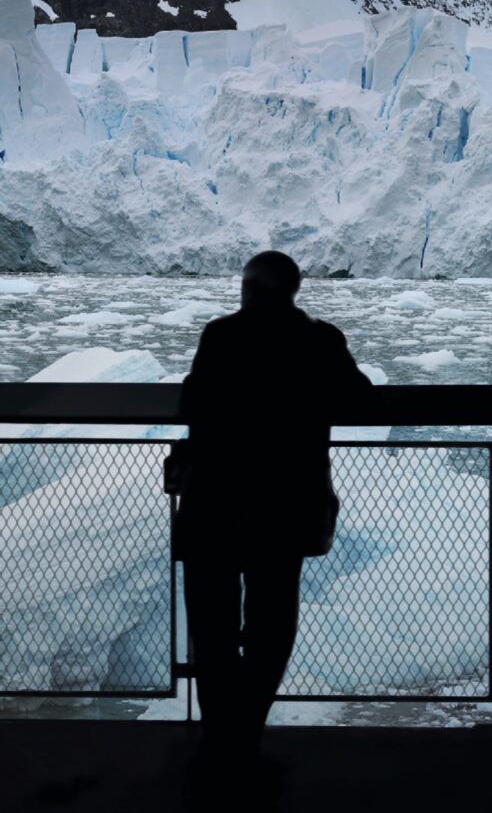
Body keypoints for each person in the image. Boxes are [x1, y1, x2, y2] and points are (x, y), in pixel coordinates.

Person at [176, 250, 372, 781]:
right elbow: (360, 401)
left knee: (212, 629)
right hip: (283, 510)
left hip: (215, 506)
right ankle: (245, 738)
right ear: (293, 290)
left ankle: (223, 744)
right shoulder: (318, 340)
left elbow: (192, 405)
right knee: (270, 627)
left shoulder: (220, 336)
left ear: (251, 290)